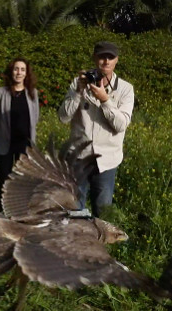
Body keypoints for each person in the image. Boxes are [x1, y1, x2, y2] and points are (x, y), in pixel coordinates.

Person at [57, 41, 134, 217]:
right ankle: (75, 243)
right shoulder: (78, 83)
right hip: (79, 158)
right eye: (102, 57)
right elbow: (63, 117)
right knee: (74, 210)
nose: (106, 61)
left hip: (107, 159)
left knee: (103, 212)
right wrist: (78, 92)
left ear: (116, 60)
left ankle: (100, 244)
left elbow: (121, 125)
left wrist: (106, 100)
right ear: (94, 58)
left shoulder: (125, 89)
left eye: (110, 57)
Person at [0, 57, 40, 208]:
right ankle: (4, 210)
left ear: (26, 73)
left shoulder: (33, 93)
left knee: (22, 179)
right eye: (16, 69)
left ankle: (20, 211)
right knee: (5, 179)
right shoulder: (1, 93)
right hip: (5, 142)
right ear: (11, 71)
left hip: (24, 144)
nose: (19, 73)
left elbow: (35, 117)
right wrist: (1, 132)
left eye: (22, 69)